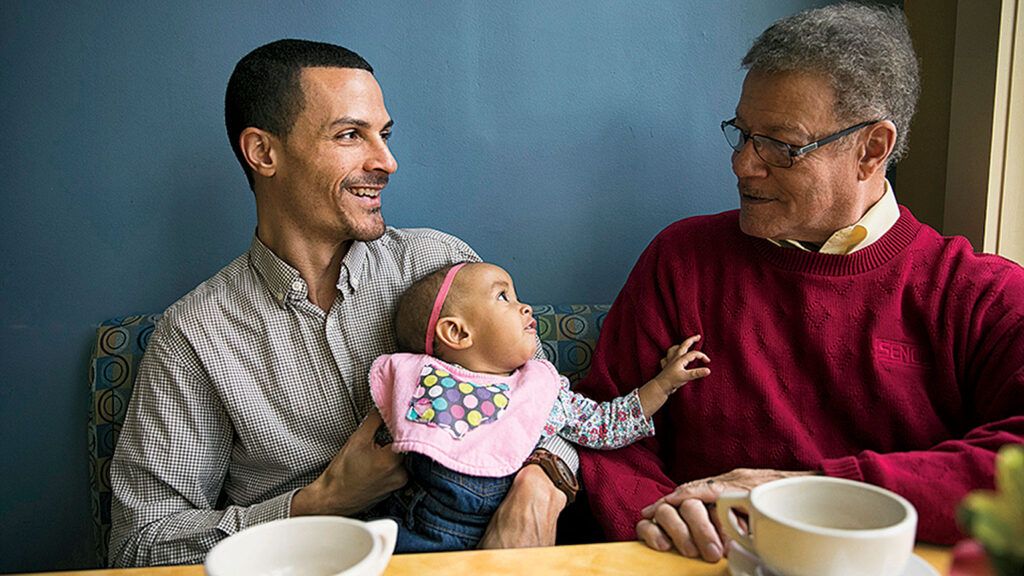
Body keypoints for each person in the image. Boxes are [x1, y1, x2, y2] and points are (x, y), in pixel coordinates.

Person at [575, 2, 1024, 564]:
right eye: (742, 134)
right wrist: (662, 521)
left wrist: (806, 496)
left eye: (782, 146)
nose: (743, 165)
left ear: (872, 150)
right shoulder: (681, 259)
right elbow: (598, 429)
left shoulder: (978, 295)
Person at [109, 39, 577, 567]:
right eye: (351, 135)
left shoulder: (443, 266)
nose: (387, 161)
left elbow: (550, 406)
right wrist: (319, 501)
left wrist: (538, 490)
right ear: (264, 152)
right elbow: (139, 544)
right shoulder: (196, 334)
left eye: (385, 135)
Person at [368, 261, 711, 551]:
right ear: (457, 333)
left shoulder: (543, 392)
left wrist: (663, 384)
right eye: (503, 297)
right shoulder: (418, 379)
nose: (525, 306)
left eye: (517, 296)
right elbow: (381, 448)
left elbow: (608, 423)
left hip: (510, 542)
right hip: (410, 536)